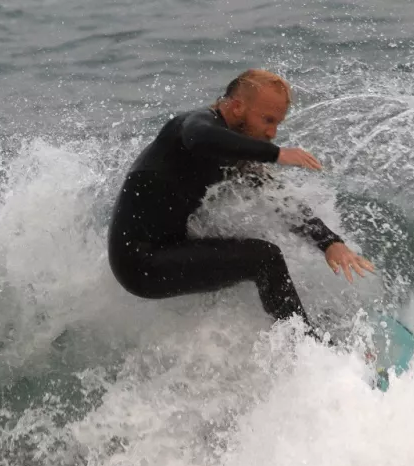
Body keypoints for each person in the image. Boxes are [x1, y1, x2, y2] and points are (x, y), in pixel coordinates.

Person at [107, 69, 374, 338]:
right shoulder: (193, 125)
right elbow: (200, 137)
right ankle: (306, 343)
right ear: (237, 107)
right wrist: (276, 154)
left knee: (247, 250)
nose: (272, 132)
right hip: (141, 262)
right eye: (267, 120)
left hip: (173, 248)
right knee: (265, 257)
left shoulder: (234, 154)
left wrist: (329, 242)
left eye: (278, 123)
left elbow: (278, 199)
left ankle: (274, 341)